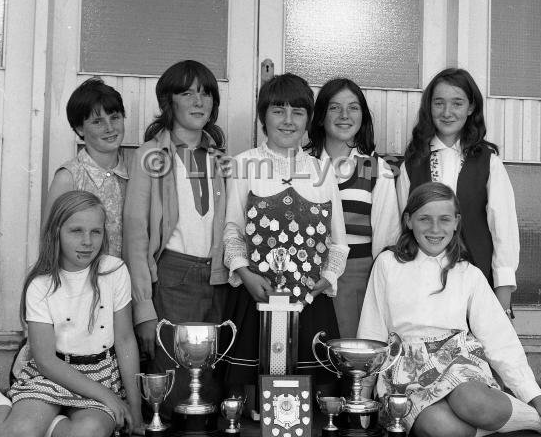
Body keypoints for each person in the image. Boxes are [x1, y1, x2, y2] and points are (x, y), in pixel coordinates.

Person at [357, 182, 541, 437]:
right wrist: (361, 393)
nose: (435, 229)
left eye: (444, 219)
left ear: (456, 222)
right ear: (409, 220)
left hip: (456, 362)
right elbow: (372, 328)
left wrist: (536, 396)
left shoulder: (468, 273)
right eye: (425, 219)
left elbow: (499, 338)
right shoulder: (388, 264)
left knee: (473, 402)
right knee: (442, 428)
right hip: (406, 372)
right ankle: (538, 423)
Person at [0, 191, 143, 437]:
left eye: (96, 231)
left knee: (88, 432)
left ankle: (39, 425)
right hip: (51, 373)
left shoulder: (114, 271)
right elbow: (46, 360)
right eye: (76, 231)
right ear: (56, 232)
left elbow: (125, 340)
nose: (87, 241)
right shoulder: (41, 285)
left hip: (100, 374)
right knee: (17, 432)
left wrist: (135, 411)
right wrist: (107, 398)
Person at [222, 73, 349, 392]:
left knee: (312, 399)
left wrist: (324, 280)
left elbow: (337, 241)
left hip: (311, 299)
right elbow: (232, 229)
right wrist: (246, 276)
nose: (288, 120)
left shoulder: (322, 171)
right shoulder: (243, 164)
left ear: (310, 118)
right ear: (263, 115)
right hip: (256, 297)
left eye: (298, 111)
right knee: (252, 398)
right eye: (278, 110)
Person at [123, 60, 228, 416]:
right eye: (187, 93)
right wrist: (143, 308)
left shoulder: (217, 156)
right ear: (170, 102)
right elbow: (135, 237)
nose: (199, 101)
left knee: (208, 385)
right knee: (173, 391)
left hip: (217, 278)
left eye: (205, 93)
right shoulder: (151, 155)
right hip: (171, 279)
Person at [396, 67, 518, 313]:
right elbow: (402, 228)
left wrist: (502, 296)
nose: (447, 112)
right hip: (423, 285)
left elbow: (503, 229)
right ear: (429, 107)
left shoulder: (488, 161)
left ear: (471, 107)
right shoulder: (412, 163)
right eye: (439, 103)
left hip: (477, 281)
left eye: (457, 103)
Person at [306, 78, 400, 338]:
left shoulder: (377, 169)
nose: (344, 116)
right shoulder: (301, 165)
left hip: (357, 282)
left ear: (363, 116)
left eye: (353, 107)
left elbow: (386, 240)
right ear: (320, 115)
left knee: (350, 365)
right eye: (334, 107)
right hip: (306, 278)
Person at [45, 77, 127, 258]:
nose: (109, 128)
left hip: (126, 282)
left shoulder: (134, 174)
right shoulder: (69, 177)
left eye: (115, 118)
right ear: (80, 129)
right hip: (80, 282)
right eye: (97, 121)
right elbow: (49, 240)